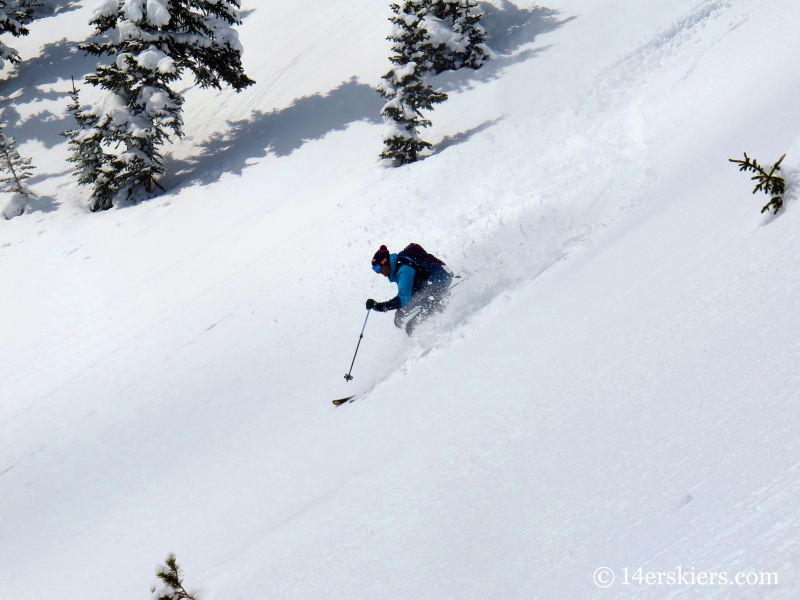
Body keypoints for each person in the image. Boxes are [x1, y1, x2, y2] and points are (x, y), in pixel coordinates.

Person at [366, 244, 454, 335]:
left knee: (410, 326)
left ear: (385, 262)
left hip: (439, 285)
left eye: (378, 268)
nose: (379, 272)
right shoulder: (398, 264)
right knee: (400, 316)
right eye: (375, 269)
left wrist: (381, 306)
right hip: (430, 287)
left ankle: (442, 329)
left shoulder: (404, 270)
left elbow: (403, 298)